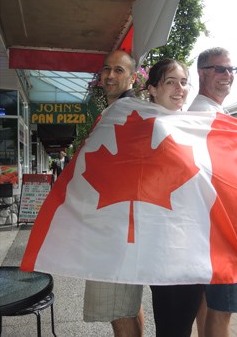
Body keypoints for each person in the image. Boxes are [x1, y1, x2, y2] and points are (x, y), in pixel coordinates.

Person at [188, 47, 237, 337]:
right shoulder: (205, 117)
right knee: (222, 311)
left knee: (207, 306)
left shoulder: (213, 114)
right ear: (202, 73)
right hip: (222, 231)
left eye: (231, 70)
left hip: (210, 230)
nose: (228, 75)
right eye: (220, 69)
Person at [83, 50, 145, 337]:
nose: (110, 75)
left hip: (117, 228)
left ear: (133, 77)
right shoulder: (117, 111)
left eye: (119, 70)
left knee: (117, 310)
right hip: (121, 225)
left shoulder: (128, 112)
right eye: (107, 69)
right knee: (128, 306)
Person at [144, 58, 205, 337]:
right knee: (174, 325)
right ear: (153, 89)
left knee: (176, 324)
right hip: (168, 245)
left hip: (190, 240)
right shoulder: (148, 125)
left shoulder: (186, 124)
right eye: (171, 82)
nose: (180, 88)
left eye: (183, 82)